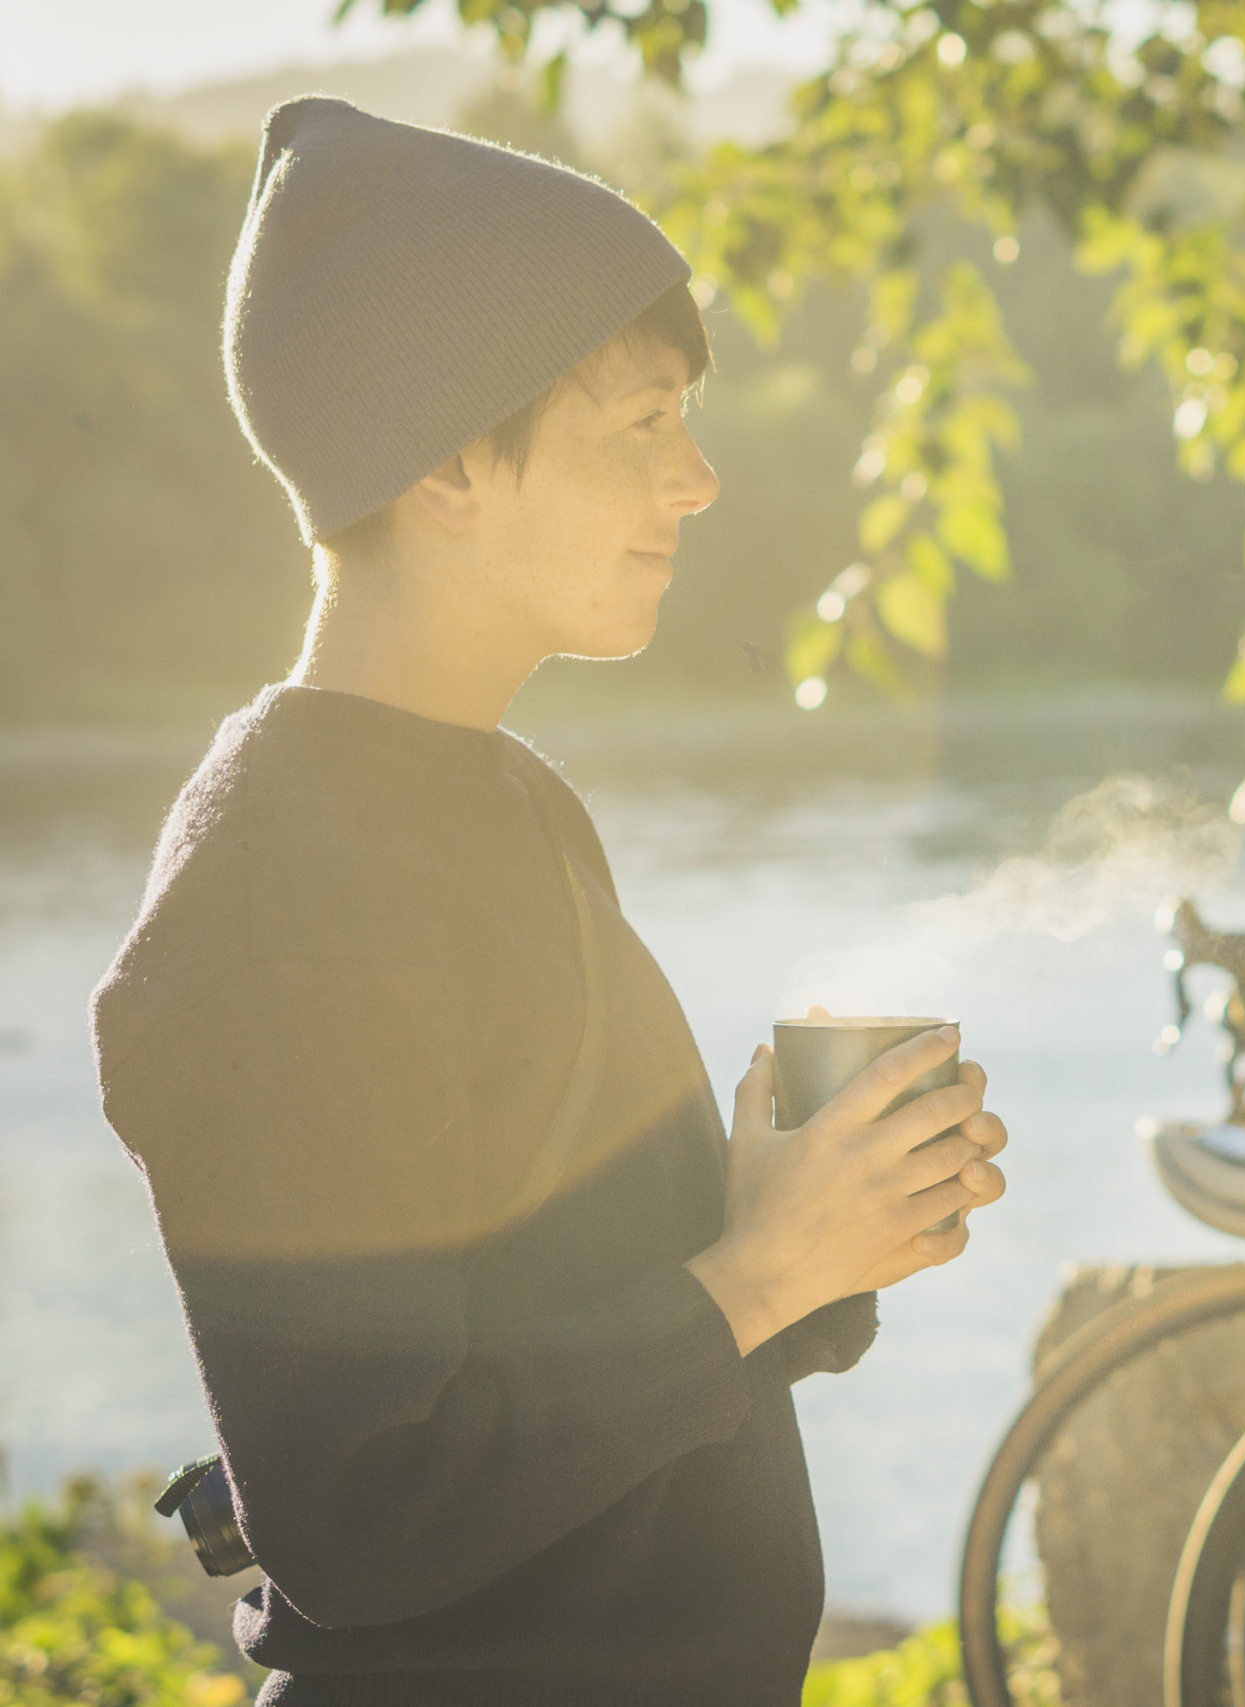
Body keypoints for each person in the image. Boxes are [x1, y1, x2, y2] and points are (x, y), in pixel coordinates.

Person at [87, 97, 1007, 1704]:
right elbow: (358, 1518)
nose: (701, 480)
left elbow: (590, 1324)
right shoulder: (274, 900)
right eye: (643, 423)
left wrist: (818, 1229)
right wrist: (760, 1275)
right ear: (449, 460)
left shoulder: (506, 801)